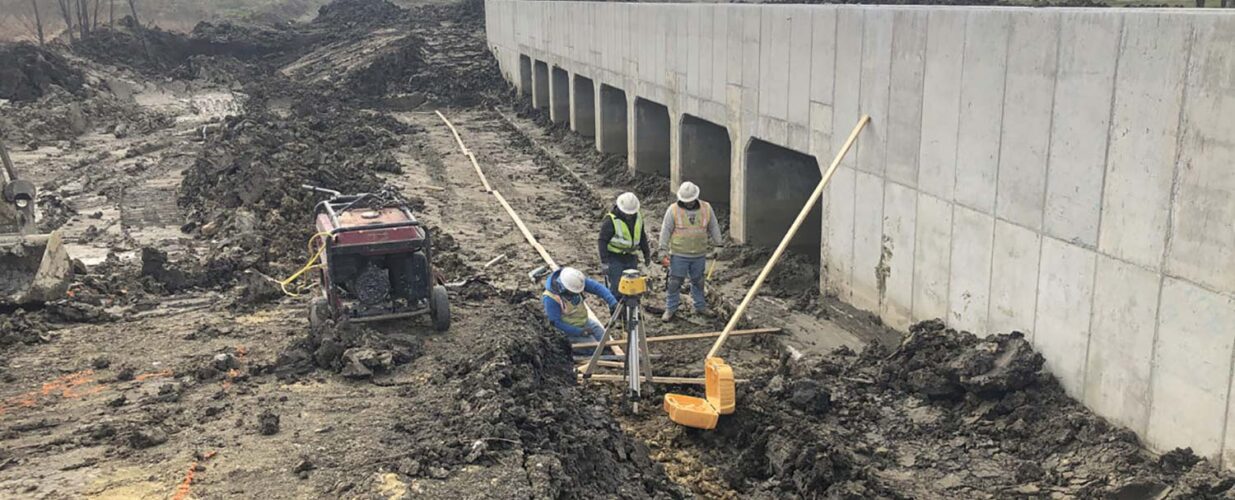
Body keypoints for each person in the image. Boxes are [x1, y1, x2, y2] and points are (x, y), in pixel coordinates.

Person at [658, 181, 722, 321]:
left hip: (699, 253)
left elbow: (713, 226)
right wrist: (662, 249)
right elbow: (666, 230)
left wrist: (719, 244)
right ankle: (670, 308)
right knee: (675, 282)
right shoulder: (673, 210)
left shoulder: (706, 208)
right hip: (679, 254)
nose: (688, 203)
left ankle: (700, 306)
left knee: (698, 281)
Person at [542, 266, 618, 354]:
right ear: (565, 288)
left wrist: (612, 302)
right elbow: (556, 323)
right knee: (593, 349)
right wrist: (579, 332)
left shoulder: (574, 280)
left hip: (584, 322)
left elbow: (596, 287)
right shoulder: (550, 298)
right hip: (567, 331)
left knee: (605, 340)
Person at [598, 192, 651, 297]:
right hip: (614, 257)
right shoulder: (611, 221)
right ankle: (615, 306)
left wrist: (647, 254)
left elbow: (642, 237)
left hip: (631, 256)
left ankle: (633, 306)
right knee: (617, 286)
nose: (629, 216)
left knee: (634, 286)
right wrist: (604, 262)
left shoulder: (638, 218)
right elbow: (602, 241)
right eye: (627, 213)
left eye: (631, 214)